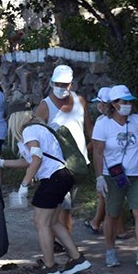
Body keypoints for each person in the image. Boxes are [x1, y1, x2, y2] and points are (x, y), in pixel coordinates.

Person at [0, 110, 92, 274]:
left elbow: (36, 158)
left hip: (52, 179)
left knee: (41, 222)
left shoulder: (28, 130)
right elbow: (29, 160)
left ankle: (50, 267)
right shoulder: (38, 128)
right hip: (63, 176)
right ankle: (77, 259)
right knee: (52, 222)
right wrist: (2, 162)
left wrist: (24, 184)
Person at [92, 85, 138, 267]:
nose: (127, 105)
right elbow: (98, 152)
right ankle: (110, 251)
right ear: (114, 104)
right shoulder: (103, 124)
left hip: (136, 173)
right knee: (112, 214)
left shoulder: (136, 120)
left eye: (129, 102)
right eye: (123, 102)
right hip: (113, 175)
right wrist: (99, 176)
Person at [35, 65, 93, 234]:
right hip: (56, 167)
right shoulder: (45, 106)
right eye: (57, 84)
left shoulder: (80, 102)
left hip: (77, 165)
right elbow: (37, 134)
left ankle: (62, 242)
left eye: (64, 84)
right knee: (59, 205)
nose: (60, 88)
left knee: (66, 207)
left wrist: (85, 152)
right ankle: (61, 243)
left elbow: (90, 129)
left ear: (71, 85)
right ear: (52, 83)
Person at [84, 87, 127, 238]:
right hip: (118, 164)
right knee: (110, 195)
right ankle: (99, 223)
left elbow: (96, 146)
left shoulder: (102, 121)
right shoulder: (122, 120)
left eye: (101, 103)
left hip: (109, 166)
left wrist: (82, 153)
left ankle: (115, 228)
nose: (99, 106)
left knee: (111, 196)